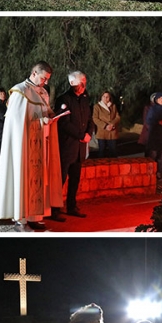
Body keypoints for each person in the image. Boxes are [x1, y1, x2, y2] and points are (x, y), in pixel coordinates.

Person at [0, 61, 63, 231]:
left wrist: (50, 115)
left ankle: (35, 215)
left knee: (40, 181)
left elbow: (44, 111)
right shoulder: (20, 92)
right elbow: (17, 125)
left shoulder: (43, 92)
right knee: (24, 178)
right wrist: (41, 122)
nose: (45, 82)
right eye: (43, 78)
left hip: (41, 145)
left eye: (47, 79)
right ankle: (21, 218)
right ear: (34, 73)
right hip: (24, 148)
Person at [52, 71, 95, 220]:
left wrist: (89, 132)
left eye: (84, 83)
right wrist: (81, 135)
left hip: (79, 148)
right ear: (73, 84)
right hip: (67, 147)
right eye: (81, 83)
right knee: (61, 179)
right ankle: (55, 209)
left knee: (75, 179)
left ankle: (72, 206)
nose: (83, 86)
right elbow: (64, 122)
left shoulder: (84, 99)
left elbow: (89, 118)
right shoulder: (63, 99)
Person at [92, 91, 120, 158]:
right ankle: (101, 167)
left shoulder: (113, 106)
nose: (105, 98)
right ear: (101, 97)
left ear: (110, 98)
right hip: (102, 132)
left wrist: (112, 124)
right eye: (104, 96)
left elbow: (117, 117)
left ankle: (113, 167)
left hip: (112, 132)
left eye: (107, 97)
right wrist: (105, 126)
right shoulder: (97, 106)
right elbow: (95, 118)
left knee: (113, 151)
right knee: (102, 151)